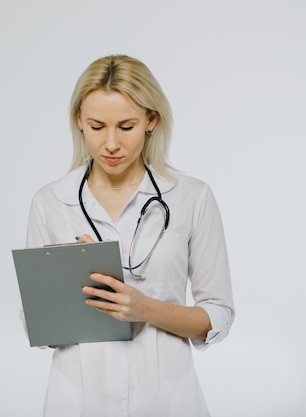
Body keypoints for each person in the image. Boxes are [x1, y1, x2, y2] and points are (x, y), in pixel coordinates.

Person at [23, 54, 235, 417]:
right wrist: (71, 284)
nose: (110, 144)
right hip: (77, 400)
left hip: (166, 401)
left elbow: (217, 317)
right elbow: (39, 328)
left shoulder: (190, 197)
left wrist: (144, 308)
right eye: (96, 126)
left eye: (126, 126)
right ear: (79, 121)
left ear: (151, 120)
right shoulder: (50, 202)